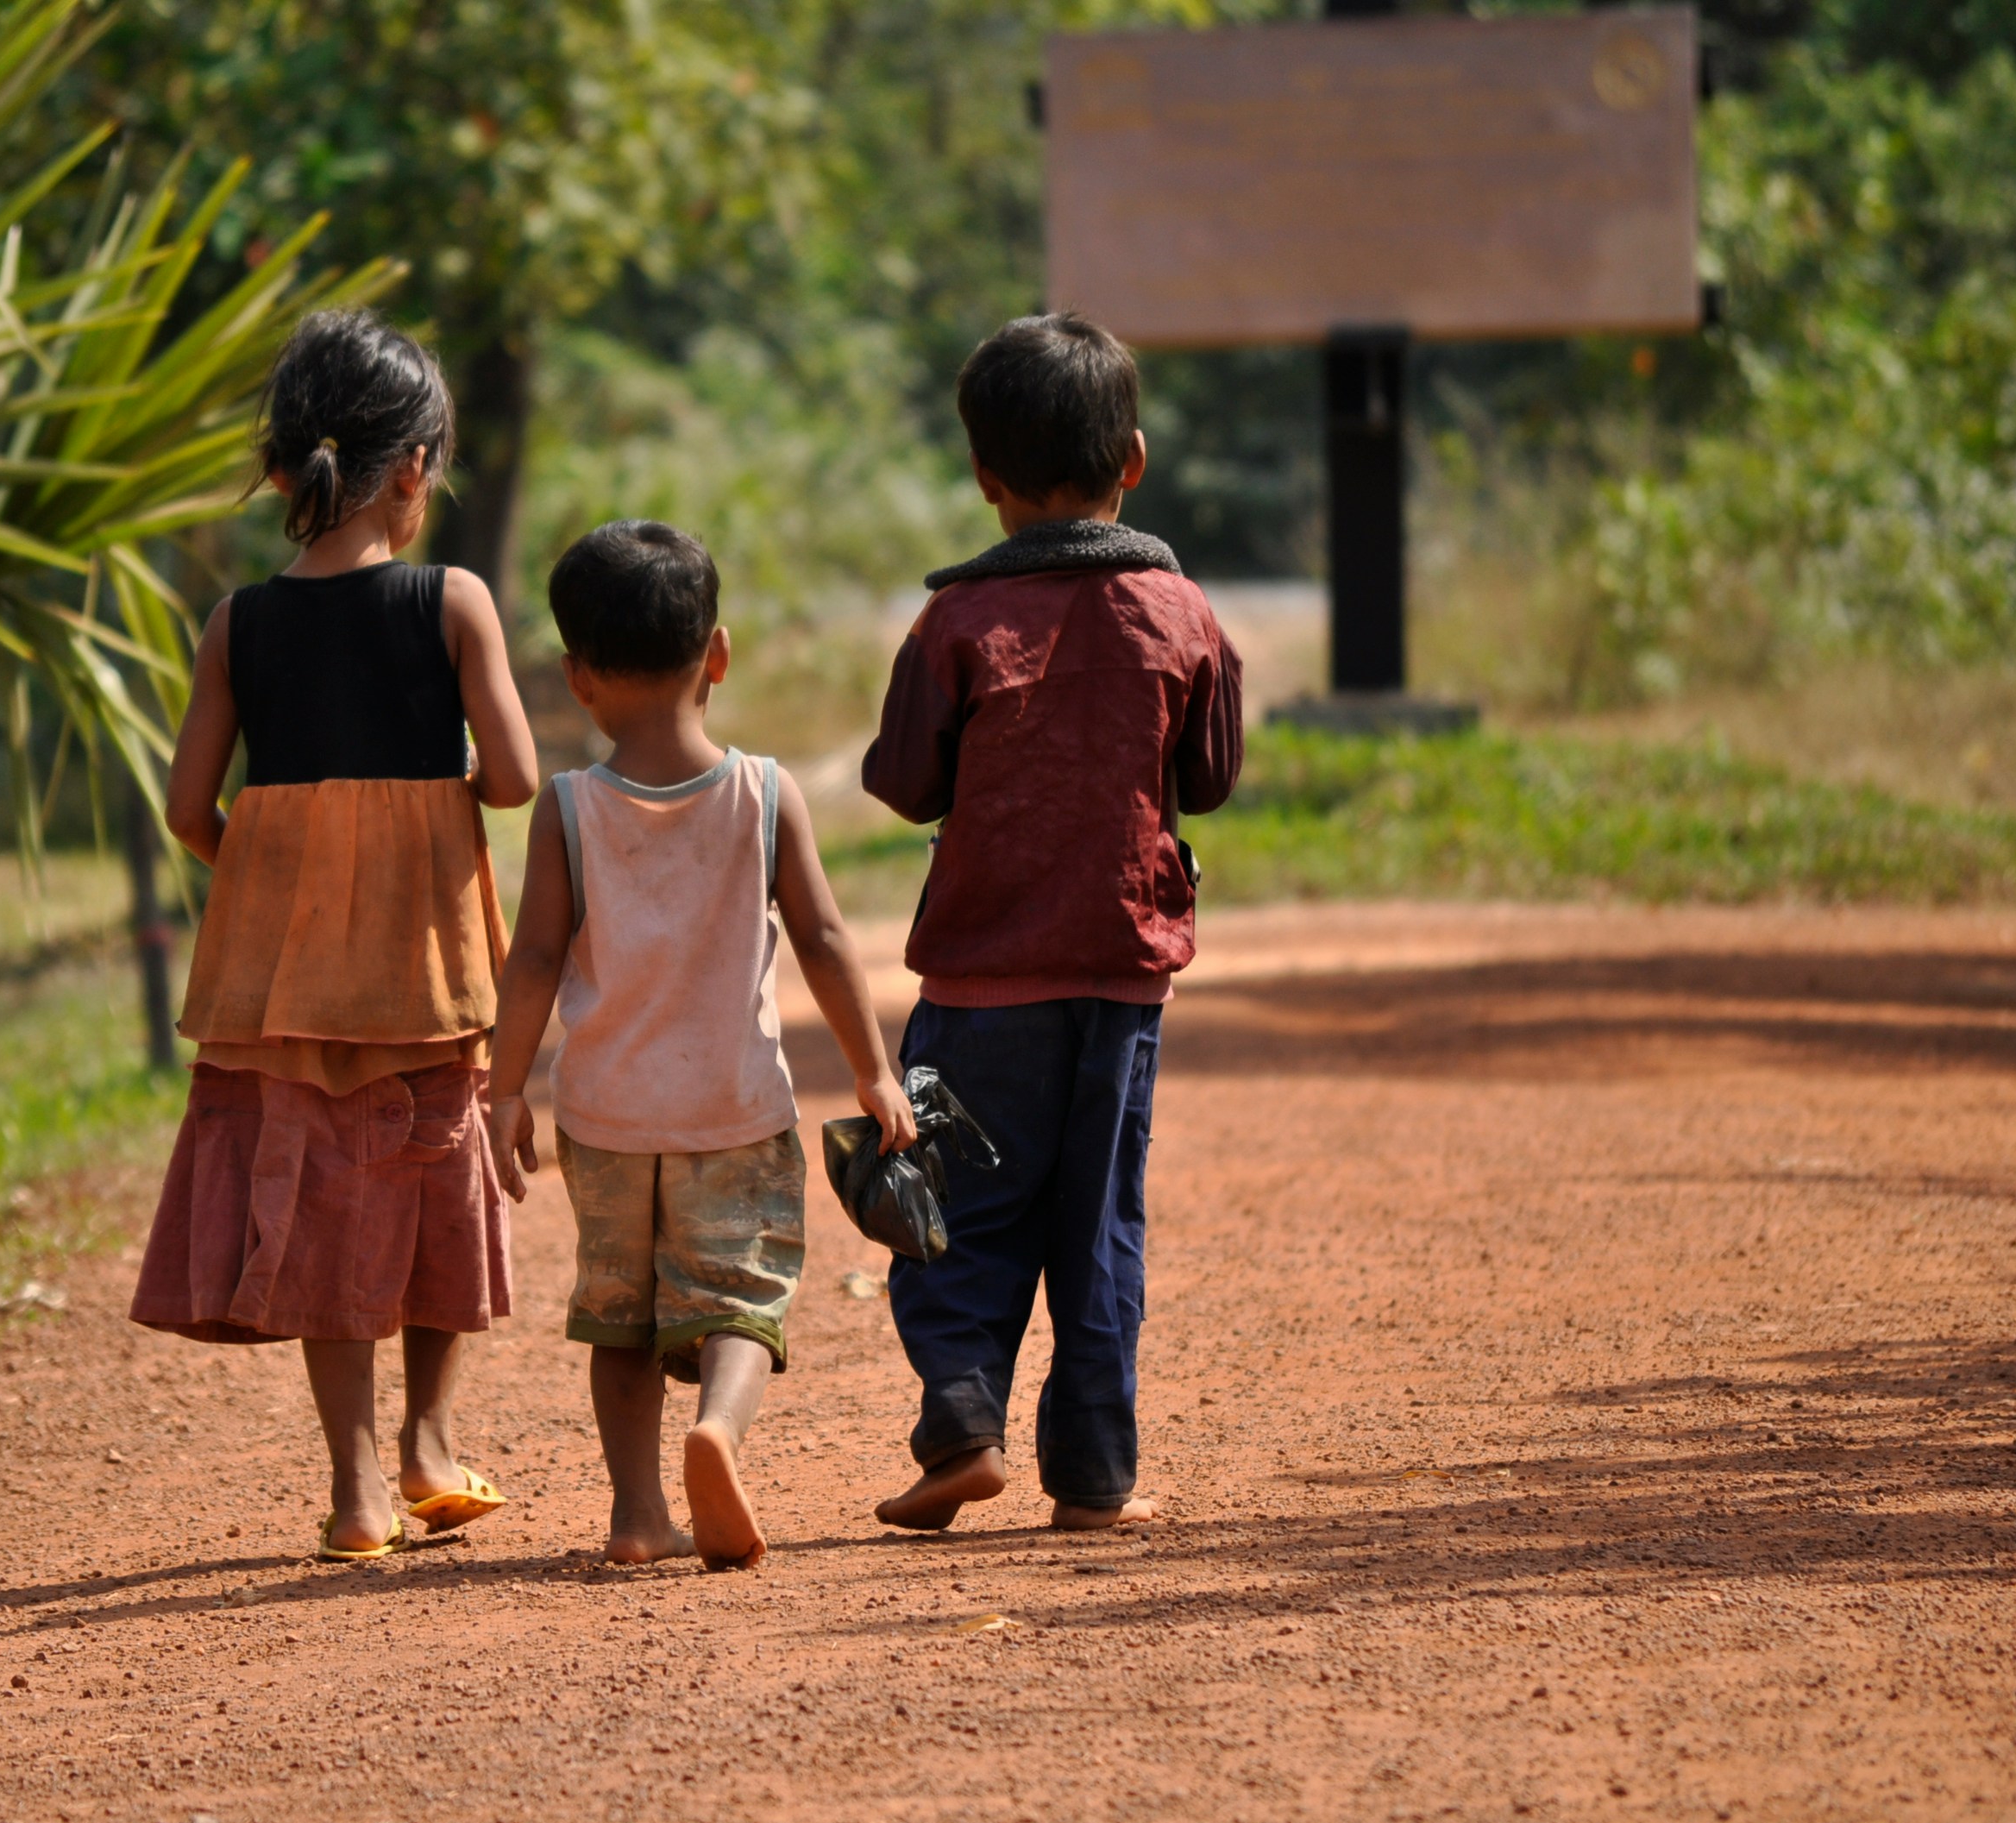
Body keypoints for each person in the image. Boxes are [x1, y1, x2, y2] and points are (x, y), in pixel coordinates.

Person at [129, 310, 540, 1563]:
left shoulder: (237, 623)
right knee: (434, 1188)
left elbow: (189, 810)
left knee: (318, 1204)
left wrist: (275, 876)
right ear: (413, 470)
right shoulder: (451, 600)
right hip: (427, 970)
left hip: (286, 983)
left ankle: (357, 1489)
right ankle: (431, 1440)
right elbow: (516, 780)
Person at [860, 311, 1243, 1533]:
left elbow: (908, 781)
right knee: (1098, 1222)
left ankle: (962, 1420)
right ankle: (1095, 1476)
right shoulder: (1183, 613)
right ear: (1131, 460)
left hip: (980, 981)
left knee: (957, 1203)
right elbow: (1216, 774)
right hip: (1124, 977)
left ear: (984, 479)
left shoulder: (955, 626)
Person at [487, 521, 914, 1571]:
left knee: (620, 1320)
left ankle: (637, 1515)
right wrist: (873, 1069)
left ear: (578, 679)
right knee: (741, 1297)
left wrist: (503, 1094)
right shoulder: (766, 795)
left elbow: (534, 960)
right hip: (734, 1108)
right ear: (716, 656)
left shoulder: (568, 810)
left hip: (605, 1117)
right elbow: (820, 937)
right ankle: (719, 1429)